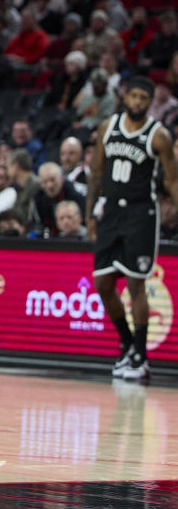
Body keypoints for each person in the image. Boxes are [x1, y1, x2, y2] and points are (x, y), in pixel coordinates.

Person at [87, 77, 178, 383]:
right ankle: (127, 343)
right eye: (134, 96)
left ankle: (141, 356)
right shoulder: (107, 127)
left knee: (136, 285)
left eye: (143, 98)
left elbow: (172, 181)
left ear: (150, 102)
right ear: (125, 97)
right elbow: (96, 174)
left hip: (141, 213)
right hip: (111, 211)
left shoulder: (159, 135)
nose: (137, 102)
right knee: (102, 284)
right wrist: (89, 215)